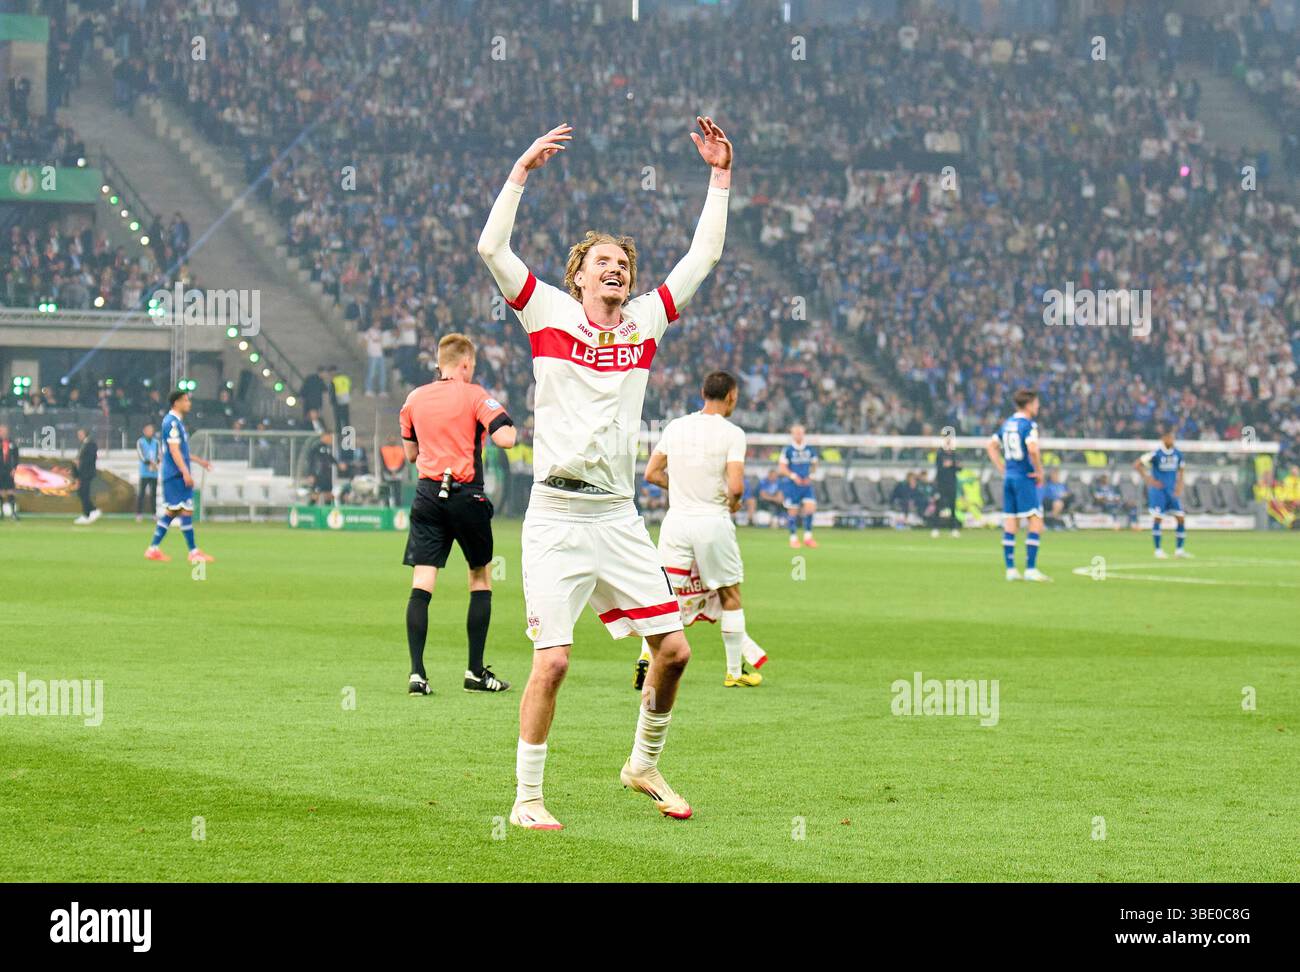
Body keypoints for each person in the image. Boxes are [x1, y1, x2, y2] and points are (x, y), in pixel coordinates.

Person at [477, 116, 731, 830]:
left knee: (675, 652)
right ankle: (527, 798)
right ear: (579, 276)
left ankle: (642, 763)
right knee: (552, 662)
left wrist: (718, 177)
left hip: (617, 514)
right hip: (556, 517)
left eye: (624, 263)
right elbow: (490, 246)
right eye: (603, 263)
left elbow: (703, 256)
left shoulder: (646, 323)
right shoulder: (547, 313)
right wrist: (520, 174)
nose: (616, 270)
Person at [399, 332, 517, 696]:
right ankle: (475, 672)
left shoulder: (414, 398)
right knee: (480, 576)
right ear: (466, 363)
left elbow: (410, 455)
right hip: (466, 496)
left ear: (440, 362)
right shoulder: (475, 394)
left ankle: (417, 674)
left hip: (428, 494)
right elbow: (506, 439)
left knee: (422, 583)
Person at [639, 370, 766, 688]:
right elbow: (735, 486)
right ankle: (734, 672)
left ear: (702, 392)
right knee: (730, 595)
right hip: (712, 521)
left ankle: (647, 661)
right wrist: (734, 504)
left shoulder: (676, 426)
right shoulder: (732, 433)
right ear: (732, 395)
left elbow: (652, 473)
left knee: (668, 597)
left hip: (677, 522)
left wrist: (680, 487)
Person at [986, 389, 1051, 581]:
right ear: (1029, 404)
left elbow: (990, 446)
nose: (1038, 407)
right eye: (1037, 403)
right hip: (1024, 477)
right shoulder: (1028, 425)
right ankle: (1030, 569)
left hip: (1009, 478)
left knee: (1011, 522)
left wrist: (1002, 469)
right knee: (1036, 521)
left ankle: (1011, 570)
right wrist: (1039, 471)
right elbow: (1032, 449)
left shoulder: (1007, 424)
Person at [144, 390, 214, 563]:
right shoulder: (172, 423)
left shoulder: (176, 423)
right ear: (176, 403)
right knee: (184, 511)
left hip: (174, 474)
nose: (189, 403)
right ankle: (193, 552)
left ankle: (154, 549)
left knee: (174, 511)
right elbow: (174, 451)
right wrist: (185, 472)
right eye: (185, 400)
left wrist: (199, 461)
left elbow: (179, 451)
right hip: (175, 475)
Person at [1135, 427, 1191, 558]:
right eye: (1170, 437)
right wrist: (1149, 480)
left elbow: (1181, 472)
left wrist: (1179, 487)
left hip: (1171, 492)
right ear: (1163, 439)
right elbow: (1137, 464)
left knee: (1181, 518)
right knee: (1158, 518)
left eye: (1173, 437)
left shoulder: (1178, 454)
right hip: (1158, 492)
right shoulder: (1156, 454)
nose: (1172, 440)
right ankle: (1158, 550)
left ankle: (1179, 550)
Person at [779, 423, 819, 548]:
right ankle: (793, 538)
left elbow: (815, 464)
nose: (798, 435)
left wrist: (811, 476)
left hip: (806, 485)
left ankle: (808, 537)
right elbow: (782, 468)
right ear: (792, 434)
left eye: (800, 433)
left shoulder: (810, 449)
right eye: (796, 433)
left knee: (810, 508)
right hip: (792, 485)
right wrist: (793, 476)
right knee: (793, 511)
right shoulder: (788, 450)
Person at [931, 440, 961, 537]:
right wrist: (951, 465)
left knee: (952, 507)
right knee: (939, 506)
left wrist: (952, 464)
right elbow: (940, 467)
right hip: (941, 485)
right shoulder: (940, 455)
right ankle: (935, 528)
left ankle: (953, 528)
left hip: (952, 484)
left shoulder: (955, 455)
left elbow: (959, 468)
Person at [72, 428, 100, 525]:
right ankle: (91, 511)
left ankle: (89, 513)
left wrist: (80, 462)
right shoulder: (82, 445)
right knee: (81, 493)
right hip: (82, 473)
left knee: (84, 493)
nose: (78, 436)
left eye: (80, 434)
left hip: (87, 473)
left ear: (85, 434)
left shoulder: (91, 444)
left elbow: (91, 458)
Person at [135, 422, 160, 522]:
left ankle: (154, 514)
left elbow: (159, 454)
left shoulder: (156, 442)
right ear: (144, 431)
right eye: (148, 430)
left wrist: (156, 463)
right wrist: (149, 462)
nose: (150, 432)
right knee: (141, 493)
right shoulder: (140, 442)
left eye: (151, 430)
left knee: (153, 494)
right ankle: (139, 514)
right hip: (144, 472)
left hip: (154, 472)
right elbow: (141, 455)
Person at [307, 431, 338, 505]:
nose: (331, 439)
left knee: (328, 495)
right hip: (318, 475)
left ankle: (328, 513)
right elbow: (312, 461)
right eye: (330, 437)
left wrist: (338, 464)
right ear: (324, 437)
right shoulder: (316, 447)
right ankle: (309, 511)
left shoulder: (327, 447)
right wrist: (311, 474)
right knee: (315, 495)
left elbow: (330, 458)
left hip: (326, 475)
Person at [0, 425, 18, 520]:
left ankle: (13, 513)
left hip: (9, 470)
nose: (3, 433)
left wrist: (14, 468)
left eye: (4, 431)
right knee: (1, 491)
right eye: (1, 431)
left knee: (11, 491)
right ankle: (1, 513)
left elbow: (16, 457)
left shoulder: (12, 443)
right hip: (0, 470)